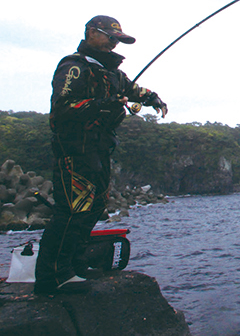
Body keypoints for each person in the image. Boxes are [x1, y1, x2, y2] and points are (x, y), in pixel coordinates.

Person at [35, 15, 168, 295]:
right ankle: (52, 276)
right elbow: (62, 107)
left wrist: (152, 97)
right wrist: (101, 105)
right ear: (91, 34)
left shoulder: (112, 73)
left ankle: (72, 265)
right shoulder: (73, 67)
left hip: (100, 149)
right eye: (110, 37)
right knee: (71, 210)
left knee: (95, 207)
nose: (113, 43)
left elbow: (133, 90)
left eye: (117, 39)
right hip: (75, 150)